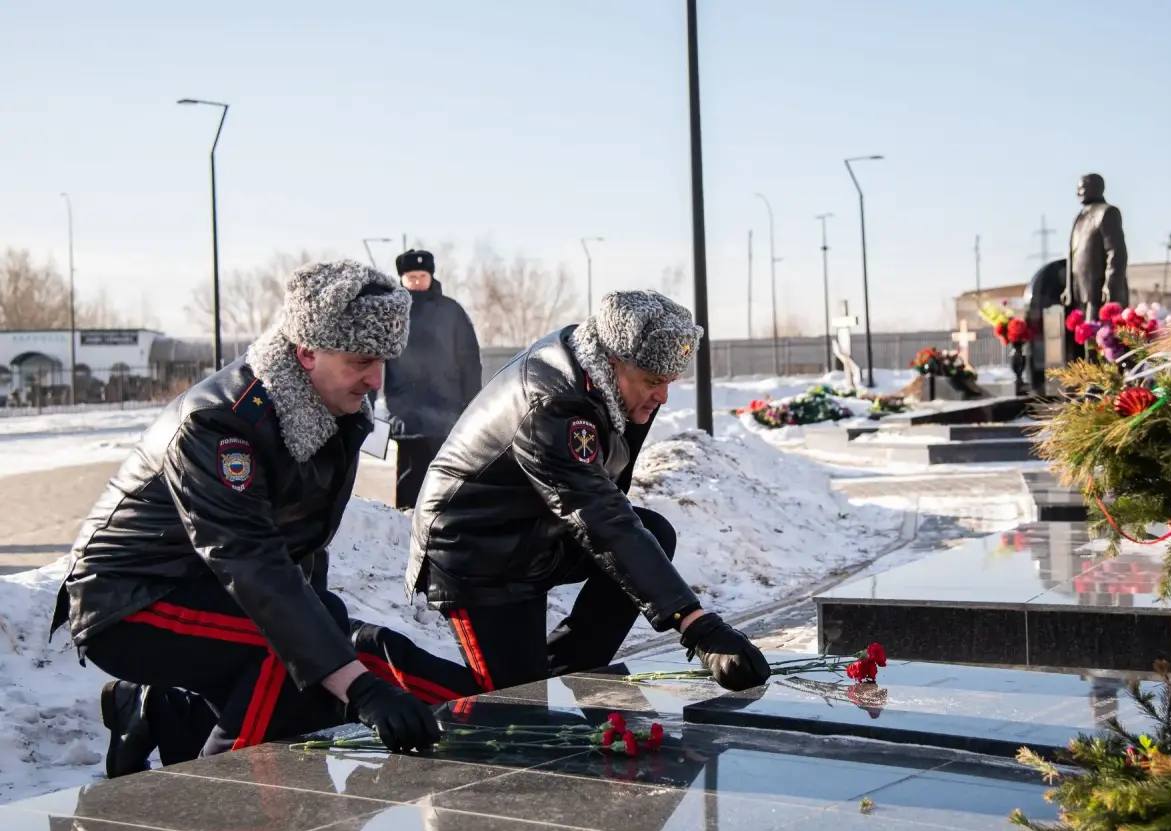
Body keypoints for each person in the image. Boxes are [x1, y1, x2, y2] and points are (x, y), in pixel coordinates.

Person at [49, 260, 478, 778]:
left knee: (326, 650)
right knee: (293, 663)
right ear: (307, 352)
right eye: (362, 360)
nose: (377, 380)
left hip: (215, 590)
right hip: (130, 597)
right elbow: (249, 560)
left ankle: (161, 715)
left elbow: (303, 546)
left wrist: (334, 648)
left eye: (385, 360)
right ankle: (218, 801)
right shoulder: (220, 422)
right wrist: (355, 687)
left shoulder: (335, 408)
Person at [407, 290, 771, 693]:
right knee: (510, 707)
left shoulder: (614, 383)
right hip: (475, 549)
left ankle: (565, 673)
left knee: (653, 534)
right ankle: (369, 667)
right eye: (653, 382)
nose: (663, 396)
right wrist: (695, 623)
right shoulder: (553, 403)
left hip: (535, 530)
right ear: (614, 363)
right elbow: (598, 515)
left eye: (670, 382)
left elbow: (611, 499)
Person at [380, 249, 482, 509]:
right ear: (401, 278)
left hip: (447, 414)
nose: (416, 281)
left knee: (447, 481)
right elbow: (376, 358)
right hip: (408, 414)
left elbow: (469, 361)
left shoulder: (452, 311)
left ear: (431, 276)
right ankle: (407, 530)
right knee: (410, 483)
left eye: (421, 275)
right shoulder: (391, 313)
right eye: (411, 276)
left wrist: (472, 407)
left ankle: (444, 532)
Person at [1066, 172, 1128, 323]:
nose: (1077, 193)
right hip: (1080, 292)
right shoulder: (1080, 216)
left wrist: (1110, 285)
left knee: (1100, 340)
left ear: (1094, 188)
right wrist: (1068, 288)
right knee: (1085, 341)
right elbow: (1072, 255)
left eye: (1082, 188)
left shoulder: (1106, 213)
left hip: (1100, 294)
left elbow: (1116, 252)